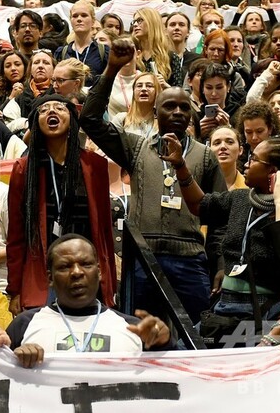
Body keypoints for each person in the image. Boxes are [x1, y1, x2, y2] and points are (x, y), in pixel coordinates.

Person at [79, 38, 227, 323]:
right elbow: (90, 120)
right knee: (140, 336)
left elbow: (219, 218)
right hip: (144, 261)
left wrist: (219, 263)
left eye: (184, 108)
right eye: (170, 107)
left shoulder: (206, 157)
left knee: (197, 336)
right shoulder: (135, 147)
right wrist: (111, 70)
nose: (178, 113)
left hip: (191, 260)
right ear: (156, 112)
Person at [163, 136, 280, 346]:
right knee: (186, 351)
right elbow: (199, 205)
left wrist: (276, 333)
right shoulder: (240, 199)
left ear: (272, 171)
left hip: (268, 313)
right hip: (225, 307)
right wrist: (180, 165)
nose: (247, 163)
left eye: (254, 158)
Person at [6, 94, 118, 314]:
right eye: (44, 109)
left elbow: (104, 230)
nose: (52, 111)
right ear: (35, 123)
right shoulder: (23, 169)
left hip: (85, 270)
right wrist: (15, 290)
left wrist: (109, 280)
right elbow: (17, 236)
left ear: (72, 120)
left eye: (59, 108)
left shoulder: (94, 165)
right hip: (42, 273)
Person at [8, 235, 171, 366]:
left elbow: (176, 378)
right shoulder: (24, 325)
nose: (77, 272)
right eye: (65, 266)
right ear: (50, 278)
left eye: (86, 264)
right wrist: (15, 360)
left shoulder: (134, 328)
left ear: (99, 272)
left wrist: (163, 343)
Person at [55, 0, 109, 84]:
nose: (79, 19)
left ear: (93, 21)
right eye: (75, 16)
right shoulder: (61, 52)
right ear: (71, 20)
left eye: (84, 15)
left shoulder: (104, 51)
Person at [131, 8, 179, 87]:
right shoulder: (131, 55)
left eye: (140, 20)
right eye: (134, 22)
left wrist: (165, 85)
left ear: (152, 23)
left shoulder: (171, 57)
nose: (135, 24)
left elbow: (179, 93)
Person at [111, 72, 160, 138]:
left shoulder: (163, 123)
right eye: (139, 86)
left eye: (149, 86)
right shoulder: (121, 120)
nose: (144, 89)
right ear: (133, 92)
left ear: (157, 91)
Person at [209, 126, 247, 190]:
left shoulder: (250, 187)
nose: (223, 146)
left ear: (240, 150)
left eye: (230, 142)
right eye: (217, 143)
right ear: (208, 150)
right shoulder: (200, 185)